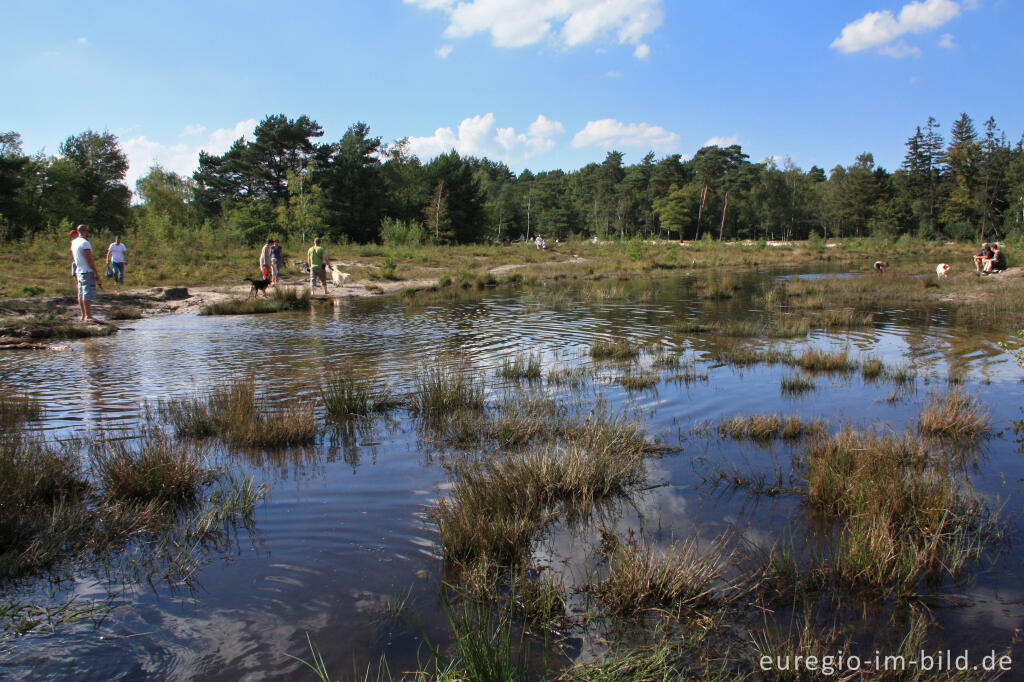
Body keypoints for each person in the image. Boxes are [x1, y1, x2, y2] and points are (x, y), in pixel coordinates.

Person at [71, 225, 103, 321]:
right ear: (85, 231)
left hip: (79, 270)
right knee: (87, 293)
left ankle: (83, 315)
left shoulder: (74, 242)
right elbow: (89, 259)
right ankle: (88, 316)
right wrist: (96, 273)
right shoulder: (85, 243)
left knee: (80, 293)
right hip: (86, 271)